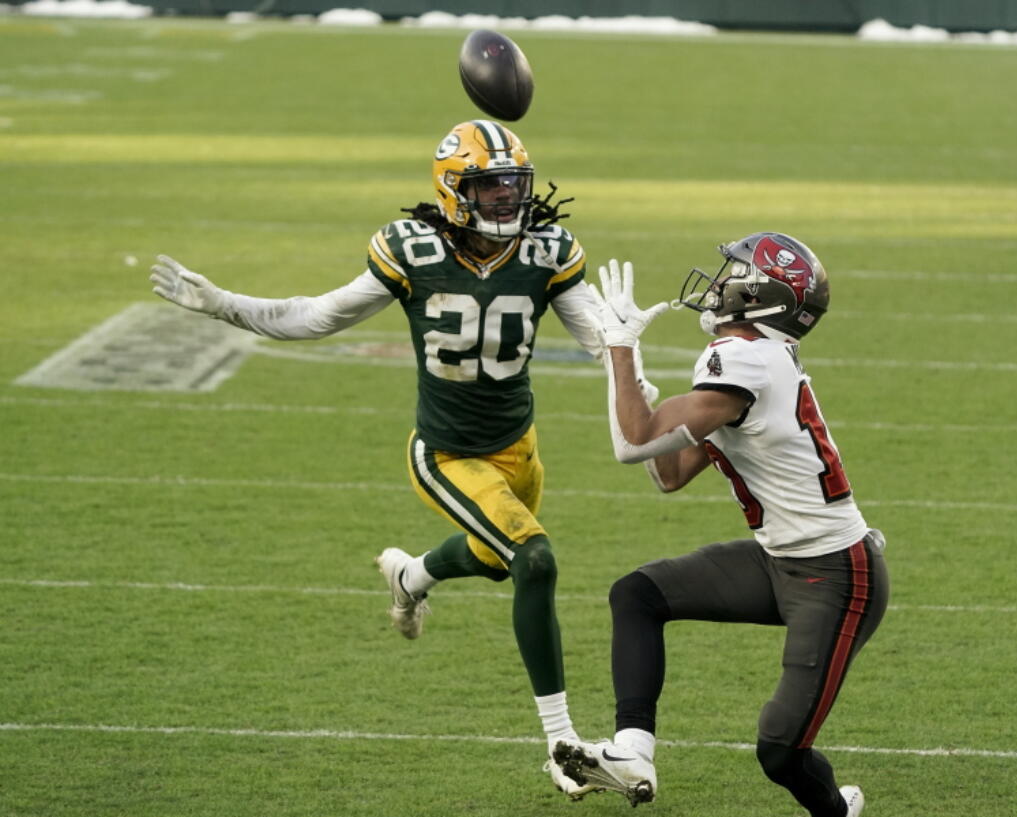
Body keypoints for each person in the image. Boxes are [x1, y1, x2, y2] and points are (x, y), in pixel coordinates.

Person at [148, 119, 641, 798]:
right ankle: (560, 742)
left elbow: (599, 343)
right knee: (534, 557)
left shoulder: (547, 250)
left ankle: (411, 576)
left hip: (518, 448)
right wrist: (224, 304)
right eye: (489, 185)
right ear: (452, 192)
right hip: (445, 451)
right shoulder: (411, 249)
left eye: (513, 184)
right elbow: (316, 316)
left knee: (499, 560)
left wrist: (630, 362)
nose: (506, 198)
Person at [552, 234, 890, 817]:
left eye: (735, 273)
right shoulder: (755, 359)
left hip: (835, 575)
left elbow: (633, 444)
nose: (718, 282)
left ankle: (838, 810)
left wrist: (619, 347)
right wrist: (631, 376)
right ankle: (632, 751)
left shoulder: (746, 358)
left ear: (763, 297)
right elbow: (669, 473)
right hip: (778, 558)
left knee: (780, 752)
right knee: (637, 594)